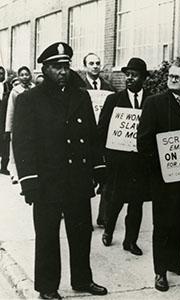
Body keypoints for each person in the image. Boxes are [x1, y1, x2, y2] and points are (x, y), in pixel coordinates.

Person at [12, 42, 108, 299]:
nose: (63, 72)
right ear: (45, 69)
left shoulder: (80, 96)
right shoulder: (29, 99)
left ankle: (82, 279)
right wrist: (28, 181)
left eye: (65, 66)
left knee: (81, 232)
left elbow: (92, 136)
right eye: (56, 67)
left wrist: (98, 168)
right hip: (47, 182)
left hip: (77, 179)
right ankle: (47, 286)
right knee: (47, 236)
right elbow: (22, 144)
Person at [137, 60, 180, 292]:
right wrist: (161, 166)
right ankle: (160, 271)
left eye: (178, 77)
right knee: (162, 224)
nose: (172, 80)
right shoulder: (154, 103)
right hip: (163, 178)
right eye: (170, 76)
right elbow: (143, 141)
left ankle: (174, 262)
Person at [98, 57, 151, 255]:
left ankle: (131, 241)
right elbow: (102, 129)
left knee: (136, 204)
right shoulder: (114, 100)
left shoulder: (151, 100)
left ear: (143, 78)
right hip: (118, 162)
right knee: (115, 200)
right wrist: (105, 158)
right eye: (127, 74)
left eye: (134, 75)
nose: (129, 78)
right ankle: (109, 231)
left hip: (140, 163)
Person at [83, 52, 115, 227]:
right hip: (85, 136)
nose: (95, 66)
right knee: (86, 176)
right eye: (91, 63)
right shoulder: (79, 87)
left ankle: (103, 217)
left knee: (105, 176)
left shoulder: (109, 88)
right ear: (85, 66)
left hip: (103, 136)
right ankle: (84, 217)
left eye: (97, 63)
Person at [5, 66, 35, 184]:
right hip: (19, 123)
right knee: (16, 148)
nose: (24, 77)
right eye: (22, 75)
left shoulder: (34, 89)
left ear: (30, 76)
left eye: (26, 74)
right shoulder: (15, 91)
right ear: (18, 77)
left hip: (32, 123)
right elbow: (10, 111)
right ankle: (15, 173)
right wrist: (8, 129)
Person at [0, 65, 11, 175]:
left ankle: (3, 167)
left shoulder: (8, 86)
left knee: (4, 141)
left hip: (4, 117)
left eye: (2, 73)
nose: (0, 76)